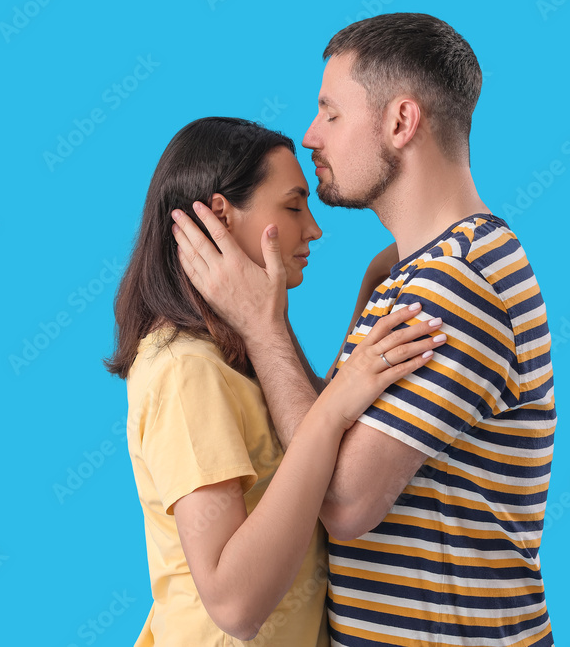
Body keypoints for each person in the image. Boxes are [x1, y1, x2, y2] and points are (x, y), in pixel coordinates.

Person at [172, 14, 556, 646]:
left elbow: (345, 502)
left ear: (400, 122)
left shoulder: (454, 282)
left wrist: (265, 329)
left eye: (331, 112)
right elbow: (331, 422)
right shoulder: (404, 273)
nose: (311, 135)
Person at [106, 116, 446, 645]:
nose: (312, 229)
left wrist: (372, 292)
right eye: (292, 207)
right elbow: (235, 604)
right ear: (221, 216)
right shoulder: (186, 370)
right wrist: (334, 407)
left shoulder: (237, 348)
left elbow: (300, 432)